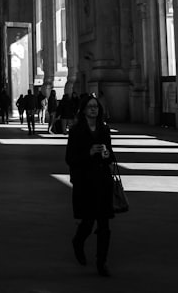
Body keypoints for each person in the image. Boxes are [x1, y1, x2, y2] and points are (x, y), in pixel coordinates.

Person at [65, 94, 115, 277]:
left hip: (103, 182)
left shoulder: (104, 130)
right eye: (90, 106)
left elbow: (111, 155)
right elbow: (70, 158)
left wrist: (106, 153)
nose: (94, 109)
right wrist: (88, 152)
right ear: (84, 110)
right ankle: (78, 242)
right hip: (85, 183)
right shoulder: (76, 131)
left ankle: (102, 262)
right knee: (87, 222)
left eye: (96, 106)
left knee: (104, 225)